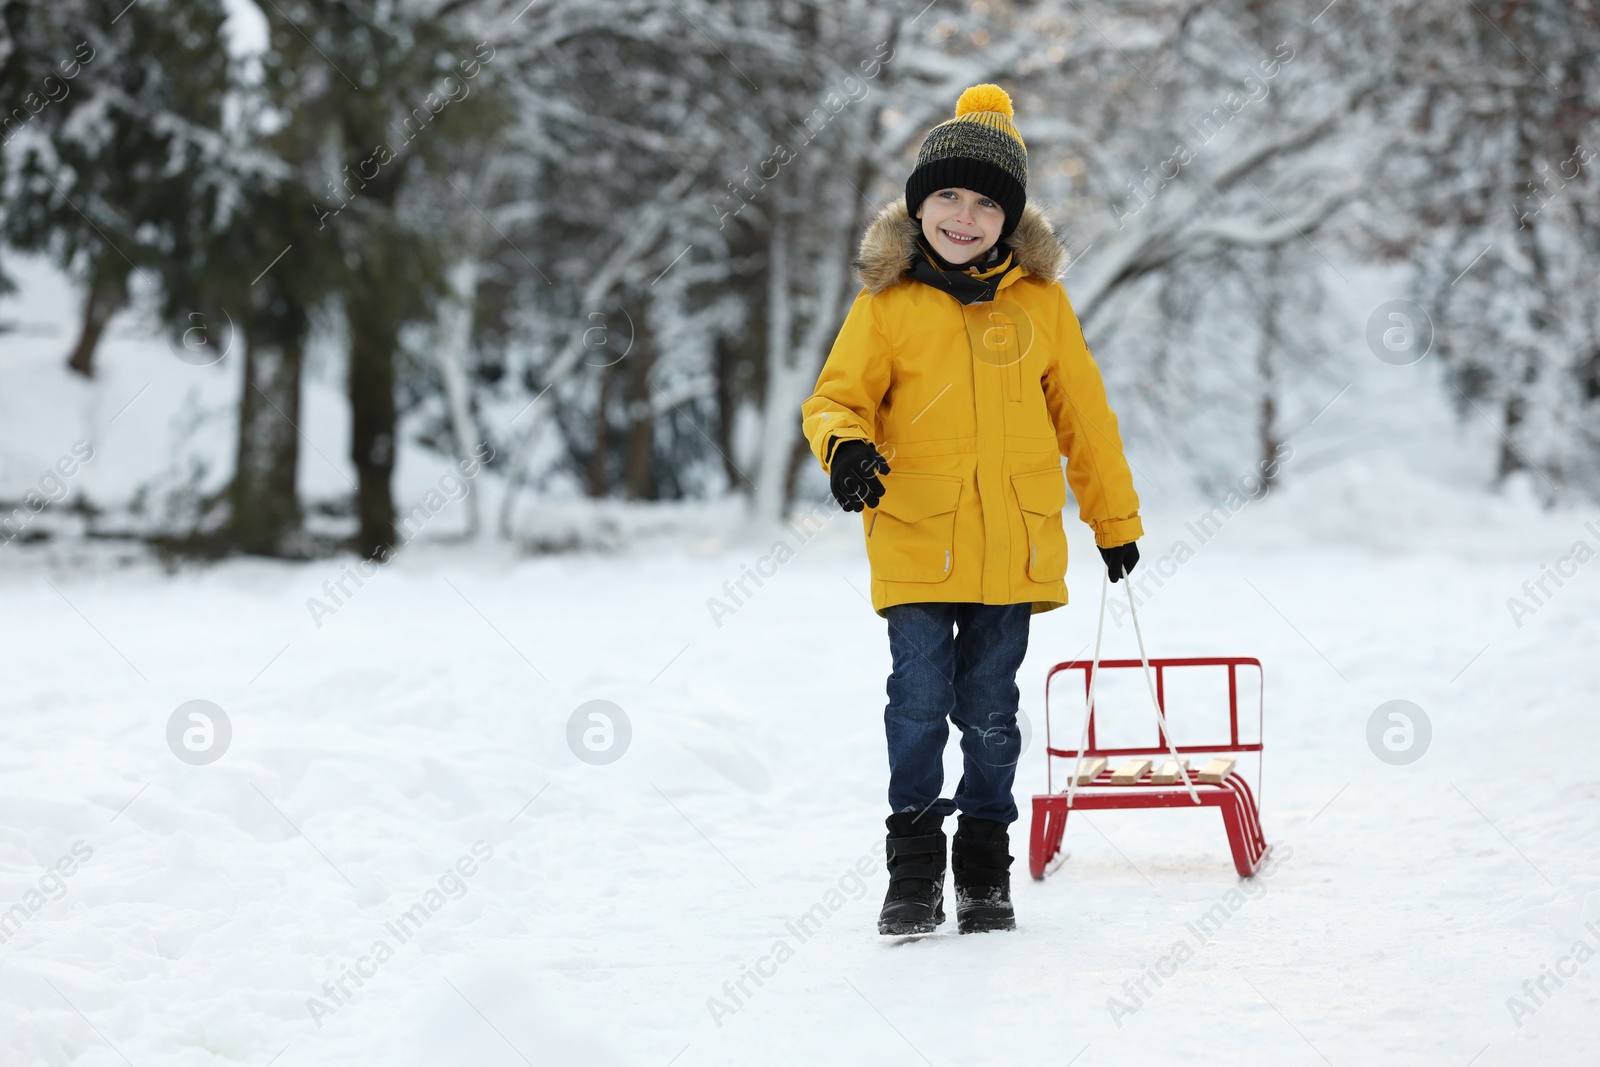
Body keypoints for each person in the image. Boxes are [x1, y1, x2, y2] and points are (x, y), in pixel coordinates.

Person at [800, 84, 1144, 936]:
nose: (964, 216)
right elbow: (834, 402)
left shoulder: (1042, 307)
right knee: (917, 702)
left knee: (991, 710)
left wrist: (1115, 521)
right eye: (947, 196)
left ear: (1010, 218)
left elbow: (1085, 421)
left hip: (1012, 548)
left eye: (986, 202)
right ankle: (912, 869)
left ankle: (985, 862)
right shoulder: (885, 307)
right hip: (916, 537)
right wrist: (844, 449)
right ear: (919, 207)